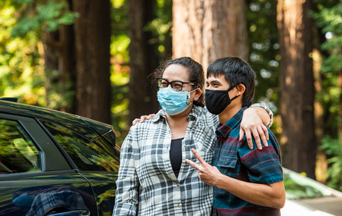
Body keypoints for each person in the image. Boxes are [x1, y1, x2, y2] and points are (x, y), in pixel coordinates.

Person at [113, 57, 272, 215]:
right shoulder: (139, 131)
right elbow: (126, 194)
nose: (168, 90)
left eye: (177, 85)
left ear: (196, 93)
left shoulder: (212, 121)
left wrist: (251, 113)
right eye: (164, 83)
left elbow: (253, 113)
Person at [186, 57, 285, 215]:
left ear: (239, 89)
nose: (209, 91)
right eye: (208, 85)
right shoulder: (220, 132)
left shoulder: (251, 132)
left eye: (216, 85)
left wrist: (219, 180)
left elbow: (277, 197)